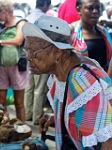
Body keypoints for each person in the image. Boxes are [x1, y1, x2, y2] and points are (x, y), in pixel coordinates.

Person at [22, 15, 112, 150]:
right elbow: (80, 111)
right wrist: (60, 118)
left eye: (34, 52)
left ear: (57, 52)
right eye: (26, 50)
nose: (28, 58)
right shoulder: (61, 72)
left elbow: (108, 141)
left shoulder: (81, 80)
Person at [0, 0, 28, 121]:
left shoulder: (21, 22)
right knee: (0, 100)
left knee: (19, 102)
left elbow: (18, 40)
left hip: (17, 65)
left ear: (4, 11)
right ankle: (4, 126)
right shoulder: (0, 25)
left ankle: (22, 128)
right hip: (0, 64)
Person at [24, 0, 51, 125]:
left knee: (29, 86)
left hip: (28, 54)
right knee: (39, 88)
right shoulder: (45, 19)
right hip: (41, 55)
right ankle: (36, 117)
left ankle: (27, 114)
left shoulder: (27, 17)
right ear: (45, 4)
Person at [70, 0, 112, 74]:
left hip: (104, 82)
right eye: (90, 8)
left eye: (98, 8)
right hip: (78, 83)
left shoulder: (104, 32)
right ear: (79, 10)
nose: (95, 11)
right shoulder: (71, 32)